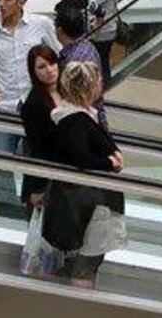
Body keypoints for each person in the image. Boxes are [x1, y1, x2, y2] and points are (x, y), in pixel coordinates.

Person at [0, 0, 61, 213]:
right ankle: (5, 210)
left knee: (35, 161)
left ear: (21, 2)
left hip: (36, 106)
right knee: (0, 160)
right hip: (5, 106)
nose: (1, 3)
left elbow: (57, 56)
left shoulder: (41, 25)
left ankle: (31, 206)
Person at [43, 61, 124, 288]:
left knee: (86, 261)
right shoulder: (75, 120)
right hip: (85, 204)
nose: (100, 86)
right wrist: (109, 162)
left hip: (85, 203)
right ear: (87, 87)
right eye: (97, 82)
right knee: (85, 264)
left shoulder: (81, 116)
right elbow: (82, 158)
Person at [19, 45, 61, 217]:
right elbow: (37, 149)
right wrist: (37, 188)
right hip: (44, 179)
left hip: (64, 174)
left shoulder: (67, 92)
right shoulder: (33, 105)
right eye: (41, 67)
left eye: (52, 63)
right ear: (33, 71)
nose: (49, 70)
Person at [89, 0, 118, 87]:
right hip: (111, 29)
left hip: (103, 31)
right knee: (104, 59)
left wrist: (94, 29)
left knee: (99, 60)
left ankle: (103, 85)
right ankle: (106, 84)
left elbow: (98, 12)